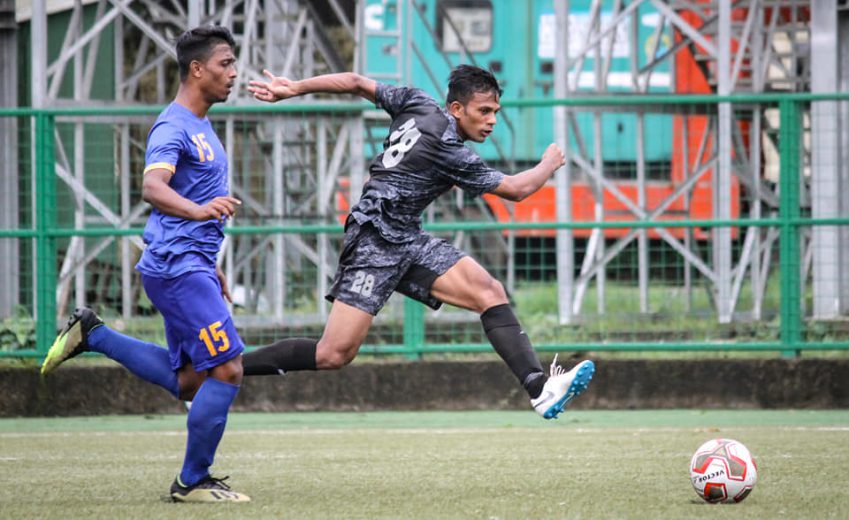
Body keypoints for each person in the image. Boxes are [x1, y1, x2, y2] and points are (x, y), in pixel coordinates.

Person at [243, 65, 595, 419]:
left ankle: (540, 389)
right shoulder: (450, 150)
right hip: (373, 240)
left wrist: (295, 86)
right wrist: (549, 163)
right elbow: (517, 190)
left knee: (489, 292)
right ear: (457, 109)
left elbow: (353, 82)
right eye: (483, 112)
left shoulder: (416, 101)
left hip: (407, 236)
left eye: (495, 113)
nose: (491, 121)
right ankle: (226, 369)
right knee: (333, 354)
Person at [40, 25, 250, 503]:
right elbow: (153, 187)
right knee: (229, 369)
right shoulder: (173, 126)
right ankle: (192, 481)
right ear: (197, 69)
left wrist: (208, 259)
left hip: (186, 264)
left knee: (190, 379)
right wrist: (197, 214)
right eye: (225, 64)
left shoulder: (202, 125)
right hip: (177, 269)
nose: (233, 74)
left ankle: (94, 334)